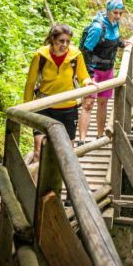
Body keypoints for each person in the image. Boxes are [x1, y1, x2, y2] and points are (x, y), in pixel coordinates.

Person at [24, 23, 92, 164]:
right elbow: (30, 84)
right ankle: (37, 185)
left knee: (67, 152)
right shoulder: (40, 56)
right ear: (53, 39)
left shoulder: (75, 55)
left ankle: (62, 185)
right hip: (44, 107)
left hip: (68, 108)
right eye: (61, 41)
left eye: (68, 41)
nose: (65, 45)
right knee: (38, 150)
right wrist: (27, 108)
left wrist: (87, 82)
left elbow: (83, 76)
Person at [78, 0, 130, 145]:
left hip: (108, 69)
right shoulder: (97, 27)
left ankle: (100, 136)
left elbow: (112, 41)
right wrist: (90, 75)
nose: (118, 16)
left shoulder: (115, 23)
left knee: (103, 103)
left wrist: (122, 44)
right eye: (115, 13)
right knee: (88, 103)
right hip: (93, 70)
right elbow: (86, 51)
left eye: (120, 13)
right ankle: (82, 140)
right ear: (108, 11)